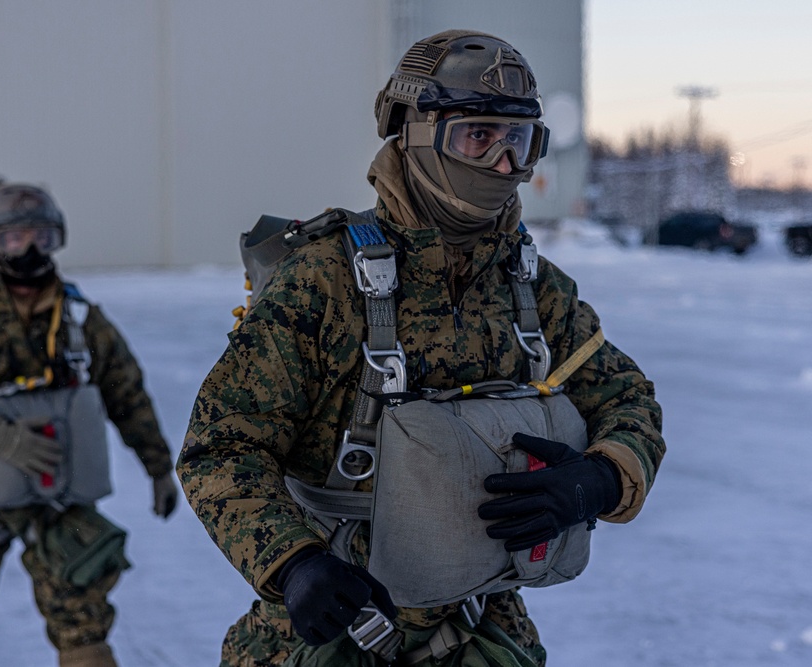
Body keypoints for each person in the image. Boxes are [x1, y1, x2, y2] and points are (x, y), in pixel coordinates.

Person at [178, 30, 665, 666]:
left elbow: (627, 398)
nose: (502, 164)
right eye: (478, 135)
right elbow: (222, 447)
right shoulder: (325, 278)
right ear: (413, 132)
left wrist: (601, 478)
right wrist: (292, 563)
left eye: (518, 142)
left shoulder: (531, 285)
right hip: (335, 619)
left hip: (479, 620)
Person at [0, 183, 179, 667]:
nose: (28, 251)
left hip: (56, 490)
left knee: (83, 615)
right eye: (13, 239)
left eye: (41, 239)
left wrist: (157, 466)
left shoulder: (77, 316)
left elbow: (126, 392)